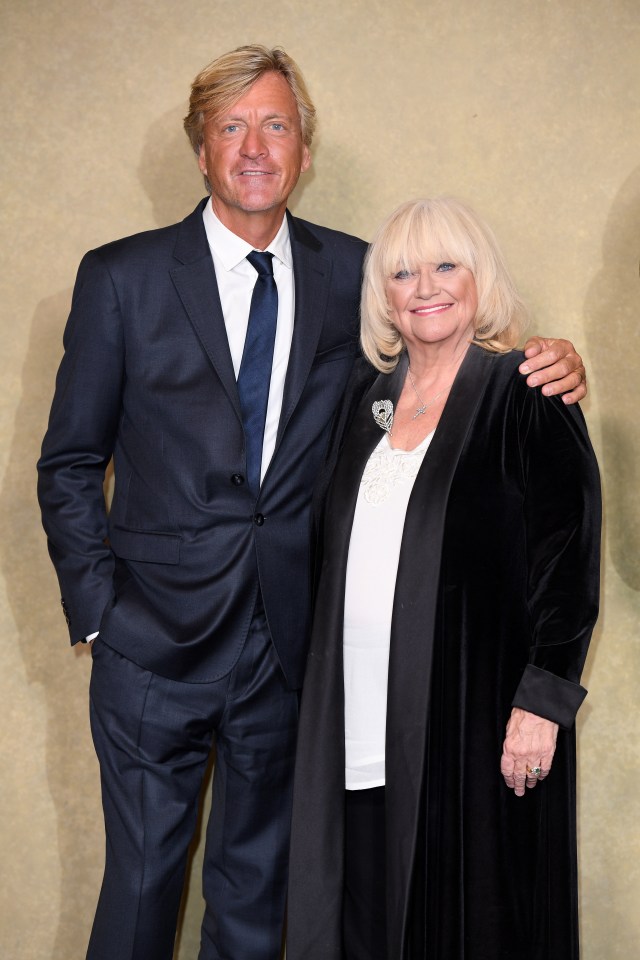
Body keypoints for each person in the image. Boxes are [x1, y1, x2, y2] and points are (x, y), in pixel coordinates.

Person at [37, 43, 587, 960]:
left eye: (277, 124)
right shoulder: (121, 279)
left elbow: (444, 343)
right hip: (149, 653)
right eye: (233, 126)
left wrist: (551, 359)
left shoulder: (356, 276)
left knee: (257, 907)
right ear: (202, 147)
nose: (256, 146)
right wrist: (100, 616)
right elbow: (69, 463)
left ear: (303, 146)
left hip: (286, 658)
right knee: (140, 898)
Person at [287, 198, 601, 960]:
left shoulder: (526, 391)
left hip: (475, 730)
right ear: (383, 298)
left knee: (467, 929)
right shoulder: (362, 406)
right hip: (357, 732)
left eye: (444, 265)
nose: (424, 285)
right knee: (363, 924)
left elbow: (570, 560)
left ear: (478, 279)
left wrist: (543, 704)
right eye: (402, 272)